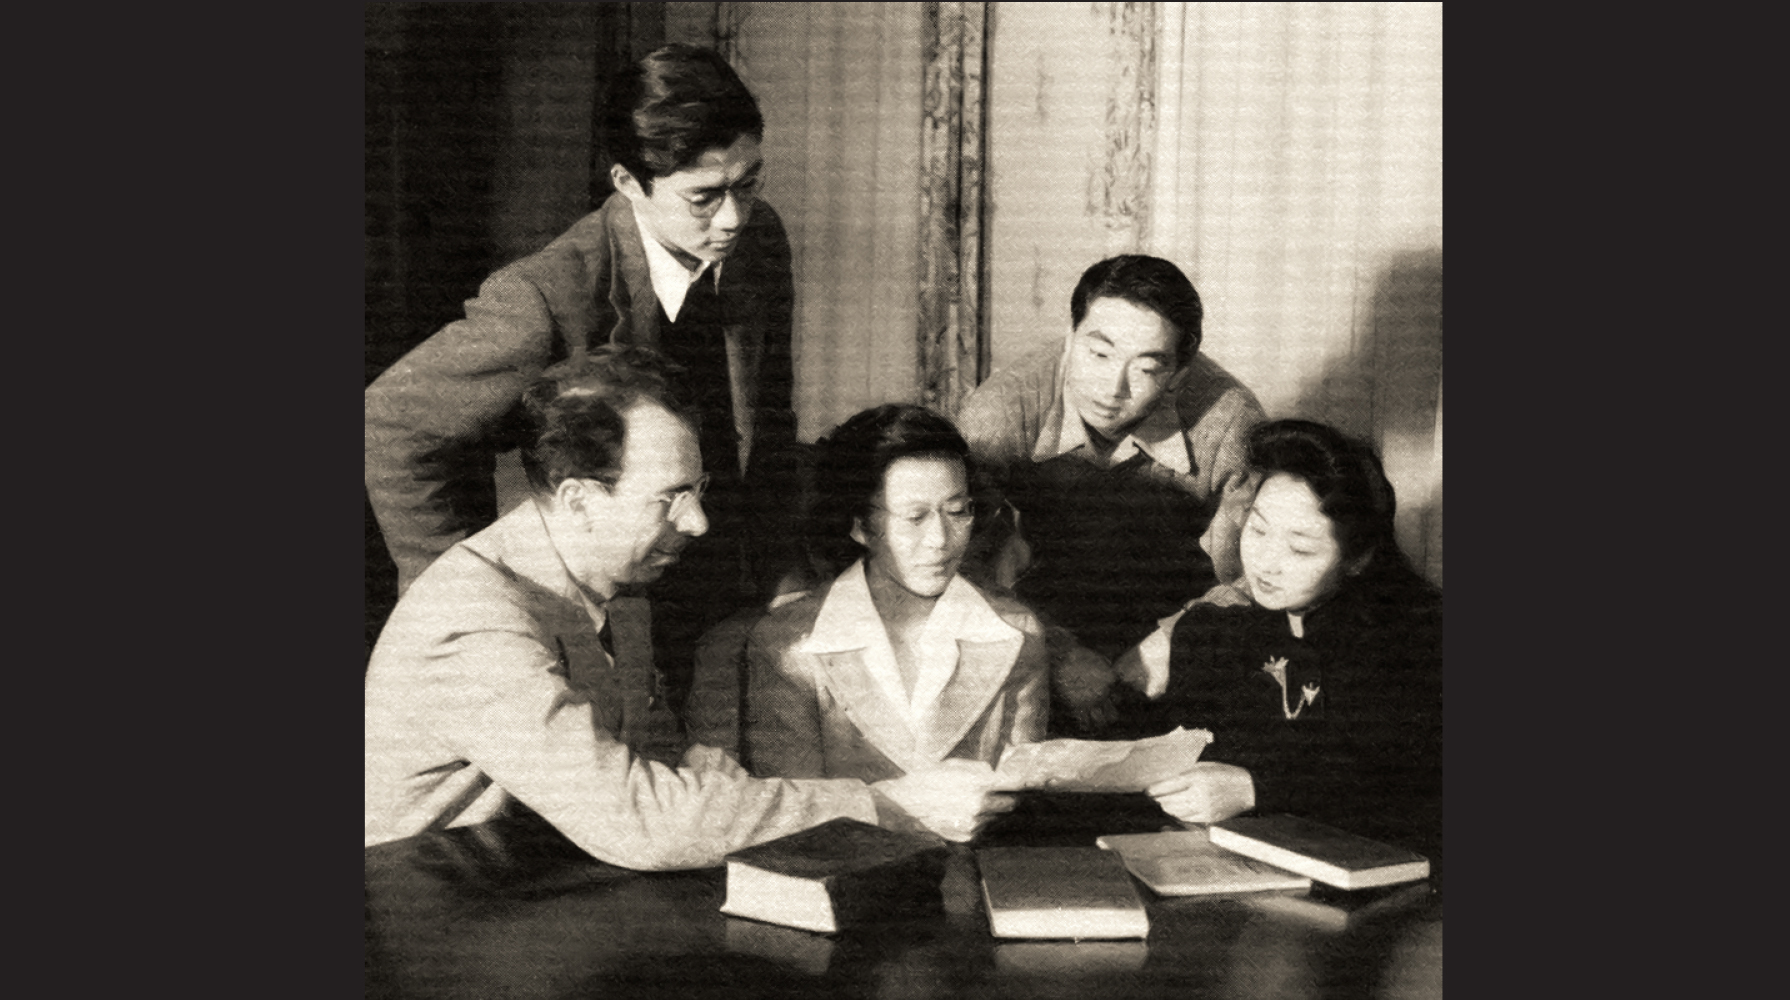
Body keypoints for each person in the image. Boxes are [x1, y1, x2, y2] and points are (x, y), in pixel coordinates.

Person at [365, 350, 1013, 867]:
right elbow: (639, 818)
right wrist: (883, 803)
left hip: (526, 895)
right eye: (670, 497)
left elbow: (664, 769)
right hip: (421, 927)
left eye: (698, 489)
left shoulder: (621, 595)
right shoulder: (473, 622)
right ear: (578, 499)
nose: (699, 521)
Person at [365, 43, 801, 706]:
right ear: (628, 183)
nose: (734, 217)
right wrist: (465, 595)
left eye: (749, 183)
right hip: (604, 612)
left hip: (717, 590)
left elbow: (768, 423)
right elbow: (390, 424)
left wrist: (780, 576)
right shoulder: (542, 301)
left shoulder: (758, 240)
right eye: (704, 198)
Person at [1114, 419, 1443, 858]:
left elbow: (1406, 787)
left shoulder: (1414, 644)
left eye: (1301, 549)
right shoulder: (1216, 634)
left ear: (1358, 558)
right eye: (1259, 529)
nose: (1266, 563)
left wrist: (1257, 788)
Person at [955, 255, 1267, 661]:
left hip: (1182, 619)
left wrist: (1173, 645)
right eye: (1099, 354)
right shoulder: (1000, 412)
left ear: (1178, 374)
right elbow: (958, 563)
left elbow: (1256, 575)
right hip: (1035, 618)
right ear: (1070, 337)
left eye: (1146, 369)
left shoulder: (1231, 423)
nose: (1112, 387)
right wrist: (1056, 652)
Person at [737, 404, 1050, 782]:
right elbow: (796, 809)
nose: (940, 541)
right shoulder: (786, 643)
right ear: (860, 526)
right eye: (914, 518)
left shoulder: (1015, 633)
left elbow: (1018, 793)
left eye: (957, 511)